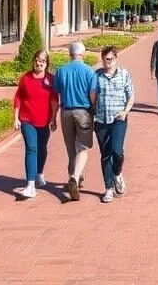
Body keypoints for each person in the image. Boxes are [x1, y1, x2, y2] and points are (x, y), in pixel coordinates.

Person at [11, 49, 59, 199]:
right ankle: (30, 185)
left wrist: (54, 119)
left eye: (43, 61)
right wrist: (16, 118)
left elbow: (54, 101)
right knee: (31, 148)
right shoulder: (25, 78)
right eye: (37, 60)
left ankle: (39, 174)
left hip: (44, 120)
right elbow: (18, 97)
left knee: (42, 148)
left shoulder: (51, 80)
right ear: (33, 61)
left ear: (47, 64)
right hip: (27, 120)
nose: (39, 63)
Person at [54, 40, 98, 201]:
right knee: (83, 148)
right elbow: (93, 94)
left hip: (66, 111)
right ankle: (75, 176)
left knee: (70, 147)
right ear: (83, 54)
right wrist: (94, 108)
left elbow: (55, 94)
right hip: (83, 111)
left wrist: (53, 116)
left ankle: (75, 178)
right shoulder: (89, 72)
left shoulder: (61, 71)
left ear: (70, 54)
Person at [94, 46, 134, 204]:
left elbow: (131, 95)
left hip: (118, 119)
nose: (106, 62)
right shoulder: (96, 75)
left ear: (115, 59)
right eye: (104, 59)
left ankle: (117, 173)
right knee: (105, 155)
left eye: (109, 59)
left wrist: (125, 111)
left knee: (117, 151)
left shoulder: (124, 75)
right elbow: (92, 95)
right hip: (101, 120)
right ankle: (108, 189)